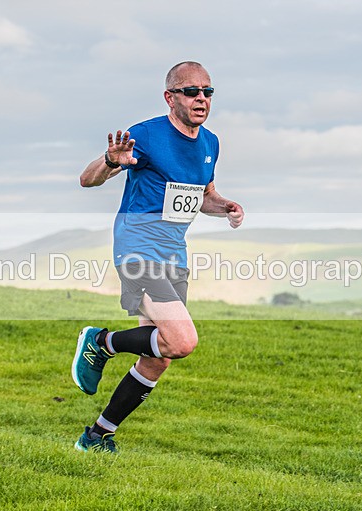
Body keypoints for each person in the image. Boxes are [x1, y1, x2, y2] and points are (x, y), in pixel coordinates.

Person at [72, 61, 244, 453]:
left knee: (159, 356)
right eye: (191, 91)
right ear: (170, 97)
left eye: (208, 91)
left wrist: (226, 206)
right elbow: (88, 179)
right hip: (137, 248)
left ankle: (96, 436)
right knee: (182, 341)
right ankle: (102, 342)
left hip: (174, 255)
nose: (201, 98)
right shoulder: (145, 135)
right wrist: (112, 160)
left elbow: (203, 196)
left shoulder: (210, 143)